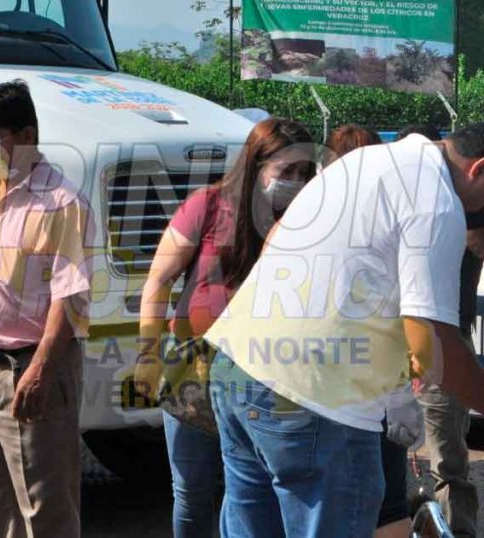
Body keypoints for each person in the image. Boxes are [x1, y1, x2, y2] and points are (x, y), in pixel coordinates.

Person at [203, 123, 484, 536]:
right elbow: (430, 338)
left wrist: (394, 385)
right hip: (317, 401)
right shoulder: (437, 203)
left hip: (238, 368)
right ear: (479, 169)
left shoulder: (361, 162)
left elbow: (276, 238)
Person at [133, 118, 315, 538]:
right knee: (191, 489)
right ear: (255, 164)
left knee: (248, 488)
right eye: (285, 170)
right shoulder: (208, 205)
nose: (294, 181)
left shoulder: (303, 220)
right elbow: (158, 280)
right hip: (193, 365)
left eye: (303, 172)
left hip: (261, 370)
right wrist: (147, 355)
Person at [0, 80, 93, 538]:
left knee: (45, 506)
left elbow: (70, 295)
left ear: (26, 136)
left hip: (31, 367)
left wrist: (40, 370)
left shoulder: (62, 203)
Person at [325, 124, 416, 538]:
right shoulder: (391, 217)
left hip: (320, 385)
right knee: (385, 502)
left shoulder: (313, 216)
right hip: (369, 386)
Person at [399, 124, 484, 538]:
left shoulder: (467, 203)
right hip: (406, 337)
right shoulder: (429, 204)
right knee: (389, 449)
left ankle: (457, 528)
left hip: (445, 335)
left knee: (447, 452)